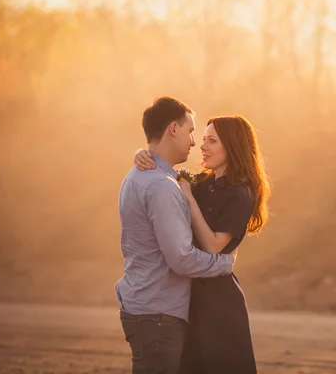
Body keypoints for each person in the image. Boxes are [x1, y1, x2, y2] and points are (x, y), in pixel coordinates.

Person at [133, 114, 270, 374]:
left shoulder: (240, 193)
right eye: (203, 139)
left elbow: (213, 246)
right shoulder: (201, 182)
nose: (202, 146)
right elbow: (164, 175)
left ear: (232, 146)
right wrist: (141, 154)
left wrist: (190, 200)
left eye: (212, 140)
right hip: (188, 295)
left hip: (219, 302)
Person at [116, 96, 236, 374]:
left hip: (147, 307)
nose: (194, 142)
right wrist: (225, 263)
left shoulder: (139, 175)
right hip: (157, 313)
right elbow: (181, 259)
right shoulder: (161, 186)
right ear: (173, 129)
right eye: (191, 131)